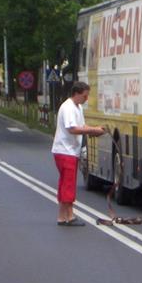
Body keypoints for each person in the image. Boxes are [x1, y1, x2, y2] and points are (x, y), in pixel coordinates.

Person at [52, 81, 105, 226]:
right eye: (84, 96)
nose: (86, 99)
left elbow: (81, 126)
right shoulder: (68, 107)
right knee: (68, 184)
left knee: (65, 183)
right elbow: (72, 129)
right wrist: (92, 131)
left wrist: (94, 129)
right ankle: (69, 216)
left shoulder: (78, 107)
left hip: (69, 151)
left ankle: (62, 216)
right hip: (65, 151)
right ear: (76, 93)